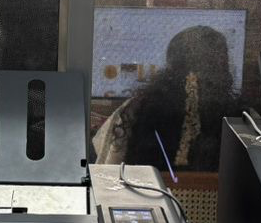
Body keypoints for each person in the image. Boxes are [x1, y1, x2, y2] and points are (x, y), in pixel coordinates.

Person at [93, 25, 244, 172]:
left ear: (171, 66)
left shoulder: (136, 108)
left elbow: (108, 171)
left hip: (147, 189)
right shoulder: (241, 119)